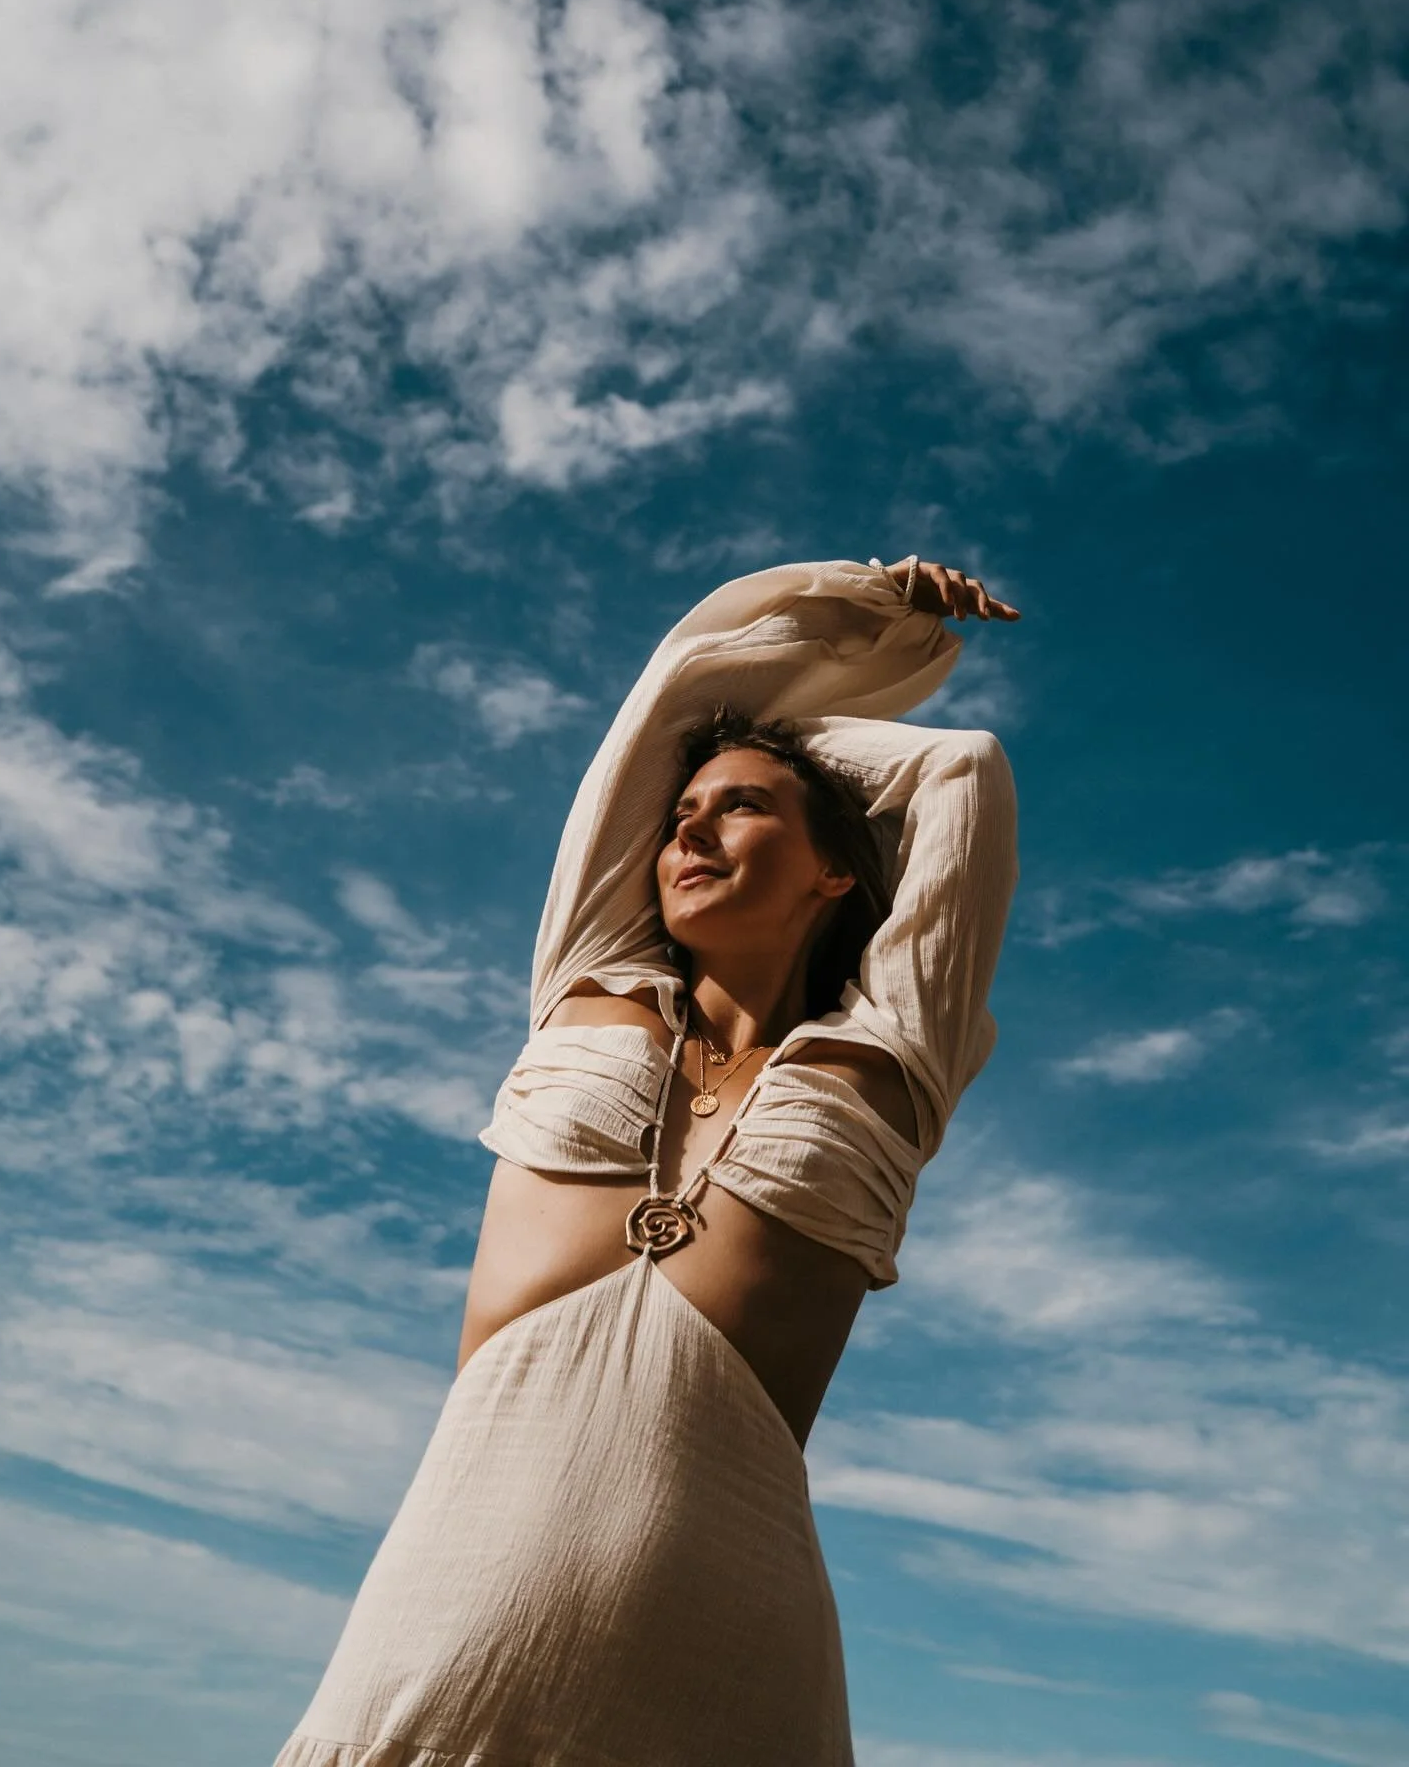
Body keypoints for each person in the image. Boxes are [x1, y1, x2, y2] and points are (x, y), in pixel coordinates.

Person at [274, 554, 1021, 1767]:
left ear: (837, 869)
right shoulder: (589, 984)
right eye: (681, 814)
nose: (688, 825)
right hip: (455, 1598)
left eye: (740, 808)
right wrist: (847, 616)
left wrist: (791, 741)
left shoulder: (890, 1050)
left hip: (725, 1629)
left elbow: (959, 766)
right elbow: (676, 698)